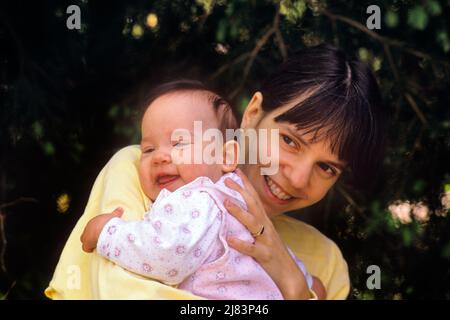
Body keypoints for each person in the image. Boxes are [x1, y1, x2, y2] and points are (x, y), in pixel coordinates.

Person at [46, 44, 386, 300]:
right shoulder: (149, 172)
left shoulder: (325, 261)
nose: (297, 178)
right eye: (290, 141)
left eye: (326, 167)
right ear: (252, 113)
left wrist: (295, 286)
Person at [79, 81, 322, 299]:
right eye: (149, 149)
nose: (160, 157)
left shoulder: (198, 199)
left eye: (179, 143)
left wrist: (107, 232)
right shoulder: (236, 197)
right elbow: (269, 255)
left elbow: (165, 253)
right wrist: (309, 283)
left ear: (226, 155)